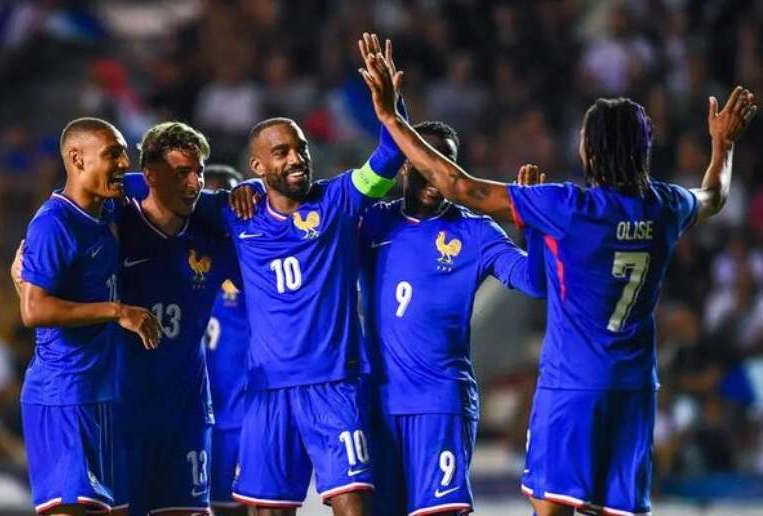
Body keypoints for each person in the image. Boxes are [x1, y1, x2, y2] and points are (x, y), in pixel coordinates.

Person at [358, 41, 757, 515]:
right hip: (634, 389)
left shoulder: (568, 207)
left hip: (572, 387)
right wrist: (722, 146)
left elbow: (459, 185)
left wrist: (390, 119)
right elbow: (714, 195)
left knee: (553, 508)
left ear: (591, 148)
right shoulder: (666, 205)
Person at [193, 33, 406, 516]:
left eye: (301, 148)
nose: (296, 158)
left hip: (334, 384)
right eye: (282, 152)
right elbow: (167, 194)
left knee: (352, 503)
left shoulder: (337, 200)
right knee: (267, 510)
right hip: (267, 390)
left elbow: (389, 160)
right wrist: (239, 190)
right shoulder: (236, 214)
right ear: (258, 165)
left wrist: (390, 109)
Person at [359, 120, 545, 516]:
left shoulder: (475, 231)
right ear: (406, 165)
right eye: (429, 160)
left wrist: (535, 230)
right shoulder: (372, 223)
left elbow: (535, 280)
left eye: (448, 163)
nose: (438, 173)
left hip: (440, 401)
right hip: (376, 405)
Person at [16, 117, 161, 515]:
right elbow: (34, 309)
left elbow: (163, 182)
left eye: (124, 153)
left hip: (102, 393)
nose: (123, 162)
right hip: (64, 394)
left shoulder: (106, 209)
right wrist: (117, 312)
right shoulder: (53, 224)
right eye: (113, 153)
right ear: (76, 159)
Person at [113, 122, 243, 516]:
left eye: (198, 171)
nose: (194, 182)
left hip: (186, 411)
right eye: (181, 173)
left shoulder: (213, 242)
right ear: (150, 174)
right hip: (123, 409)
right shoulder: (117, 224)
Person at [200, 165, 252, 516]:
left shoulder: (253, 262)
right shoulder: (180, 260)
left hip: (242, 421)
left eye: (228, 199)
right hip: (192, 419)